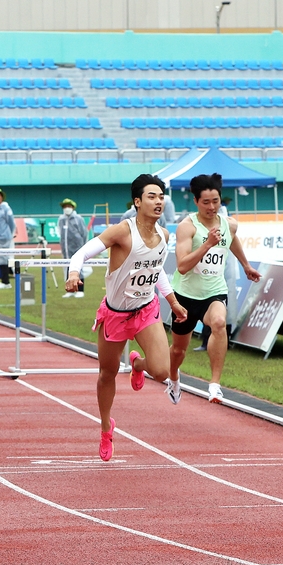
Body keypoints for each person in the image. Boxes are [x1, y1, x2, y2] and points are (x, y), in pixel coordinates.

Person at [65, 174, 188, 462]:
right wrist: (73, 274)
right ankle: (106, 426)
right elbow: (80, 254)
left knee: (161, 371)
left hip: (146, 310)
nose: (158, 202)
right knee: (107, 373)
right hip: (116, 314)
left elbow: (156, 271)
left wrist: (172, 301)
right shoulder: (121, 232)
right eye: (151, 196)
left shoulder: (164, 236)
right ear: (137, 202)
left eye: (161, 197)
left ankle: (138, 364)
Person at [167, 173, 261, 405]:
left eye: (216, 201)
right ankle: (173, 377)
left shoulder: (229, 224)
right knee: (179, 351)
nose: (211, 207)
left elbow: (232, 238)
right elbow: (182, 267)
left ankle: (215, 385)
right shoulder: (187, 227)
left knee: (219, 322)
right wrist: (207, 244)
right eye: (206, 202)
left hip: (214, 291)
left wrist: (246, 265)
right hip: (185, 297)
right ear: (196, 201)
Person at [57, 198, 89, 298]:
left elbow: (84, 233)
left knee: (78, 267)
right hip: (66, 248)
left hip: (77, 247)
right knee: (67, 268)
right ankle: (70, 290)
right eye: (65, 207)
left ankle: (80, 289)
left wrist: (83, 246)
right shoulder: (61, 219)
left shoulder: (78, 219)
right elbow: (61, 233)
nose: (67, 208)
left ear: (73, 207)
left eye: (69, 206)